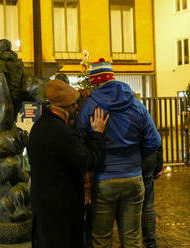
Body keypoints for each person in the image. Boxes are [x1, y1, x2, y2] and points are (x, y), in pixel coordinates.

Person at [75, 58, 161, 248]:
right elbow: (154, 140)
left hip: (104, 179)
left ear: (95, 82)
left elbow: (79, 139)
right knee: (132, 237)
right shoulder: (136, 104)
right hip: (133, 178)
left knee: (101, 238)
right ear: (112, 77)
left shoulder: (90, 106)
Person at [27, 79, 109, 248]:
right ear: (67, 107)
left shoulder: (39, 125)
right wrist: (97, 134)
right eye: (74, 105)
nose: (77, 109)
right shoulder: (62, 132)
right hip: (61, 207)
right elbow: (87, 160)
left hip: (42, 203)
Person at [141, 146, 163, 248]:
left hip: (116, 166)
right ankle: (150, 244)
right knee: (147, 206)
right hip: (146, 159)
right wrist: (158, 165)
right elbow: (156, 141)